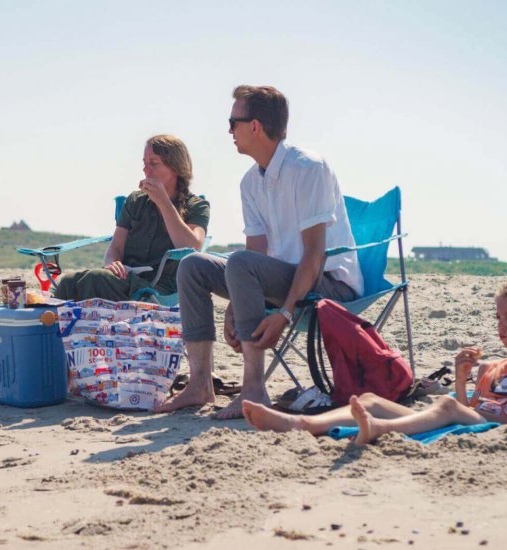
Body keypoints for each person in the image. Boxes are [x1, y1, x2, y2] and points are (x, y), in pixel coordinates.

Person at [156, 86, 363, 419]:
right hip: (276, 276)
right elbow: (255, 252)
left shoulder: (308, 168)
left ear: (255, 126)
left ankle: (253, 390)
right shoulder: (250, 182)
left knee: (240, 262)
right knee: (193, 265)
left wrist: (284, 313)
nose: (228, 131)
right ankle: (199, 385)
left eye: (232, 122)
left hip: (326, 283)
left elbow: (313, 254)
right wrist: (235, 308)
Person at [243, 283, 507, 444]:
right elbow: (465, 412)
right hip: (464, 418)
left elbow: (464, 414)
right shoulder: (489, 369)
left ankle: (381, 428)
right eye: (498, 317)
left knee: (446, 405)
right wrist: (461, 378)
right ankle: (301, 424)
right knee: (370, 399)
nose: (501, 325)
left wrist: (458, 405)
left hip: (487, 422)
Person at [54, 134, 210, 302]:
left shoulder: (196, 205)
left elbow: (193, 247)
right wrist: (113, 263)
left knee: (96, 279)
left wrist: (164, 203)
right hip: (126, 278)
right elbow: (115, 248)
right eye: (144, 163)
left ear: (176, 167)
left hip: (160, 286)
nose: (146, 169)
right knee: (67, 282)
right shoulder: (135, 201)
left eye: (153, 163)